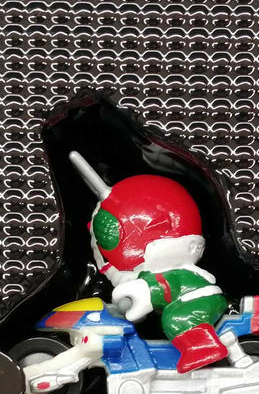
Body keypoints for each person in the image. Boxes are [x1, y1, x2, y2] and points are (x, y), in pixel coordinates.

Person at [70, 152, 230, 373]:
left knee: (176, 319)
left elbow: (159, 288)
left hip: (198, 300)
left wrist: (143, 294)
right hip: (191, 297)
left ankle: (203, 349)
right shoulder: (149, 272)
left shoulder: (167, 275)